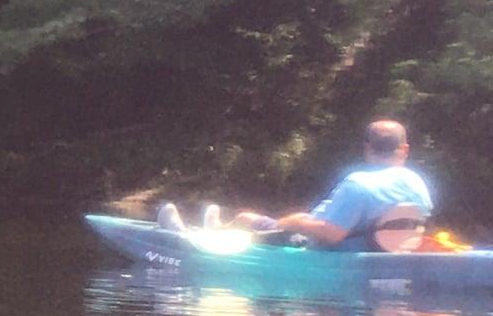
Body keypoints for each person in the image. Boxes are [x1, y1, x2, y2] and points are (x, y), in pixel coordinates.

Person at [158, 119, 434, 250]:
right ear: (404, 149)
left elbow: (332, 234)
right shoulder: (418, 183)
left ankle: (193, 240)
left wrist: (297, 222)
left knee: (246, 218)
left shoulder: (359, 183)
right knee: (261, 222)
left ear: (366, 148)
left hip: (320, 246)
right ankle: (215, 230)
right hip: (377, 250)